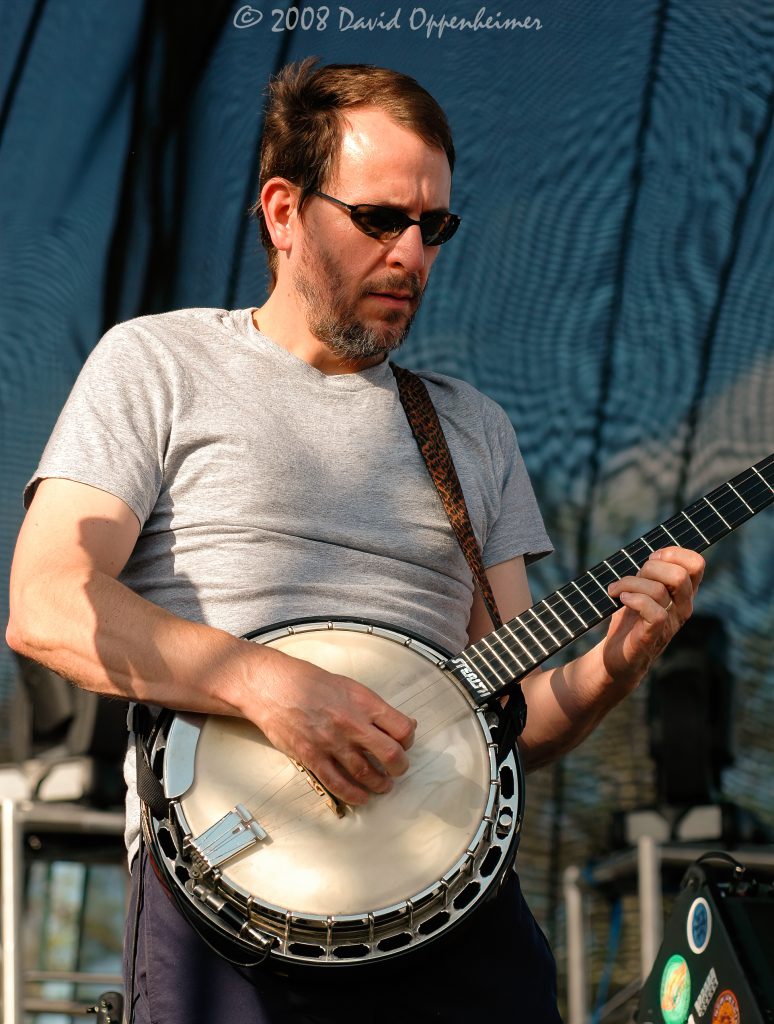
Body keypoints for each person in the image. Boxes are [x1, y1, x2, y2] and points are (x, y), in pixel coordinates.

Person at [7, 59, 704, 1023]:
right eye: (380, 219)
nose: (412, 255)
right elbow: (46, 607)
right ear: (284, 210)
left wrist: (610, 670)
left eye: (434, 228)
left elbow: (508, 721)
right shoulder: (159, 364)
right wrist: (268, 686)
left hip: (453, 916)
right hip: (231, 906)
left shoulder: (473, 430)